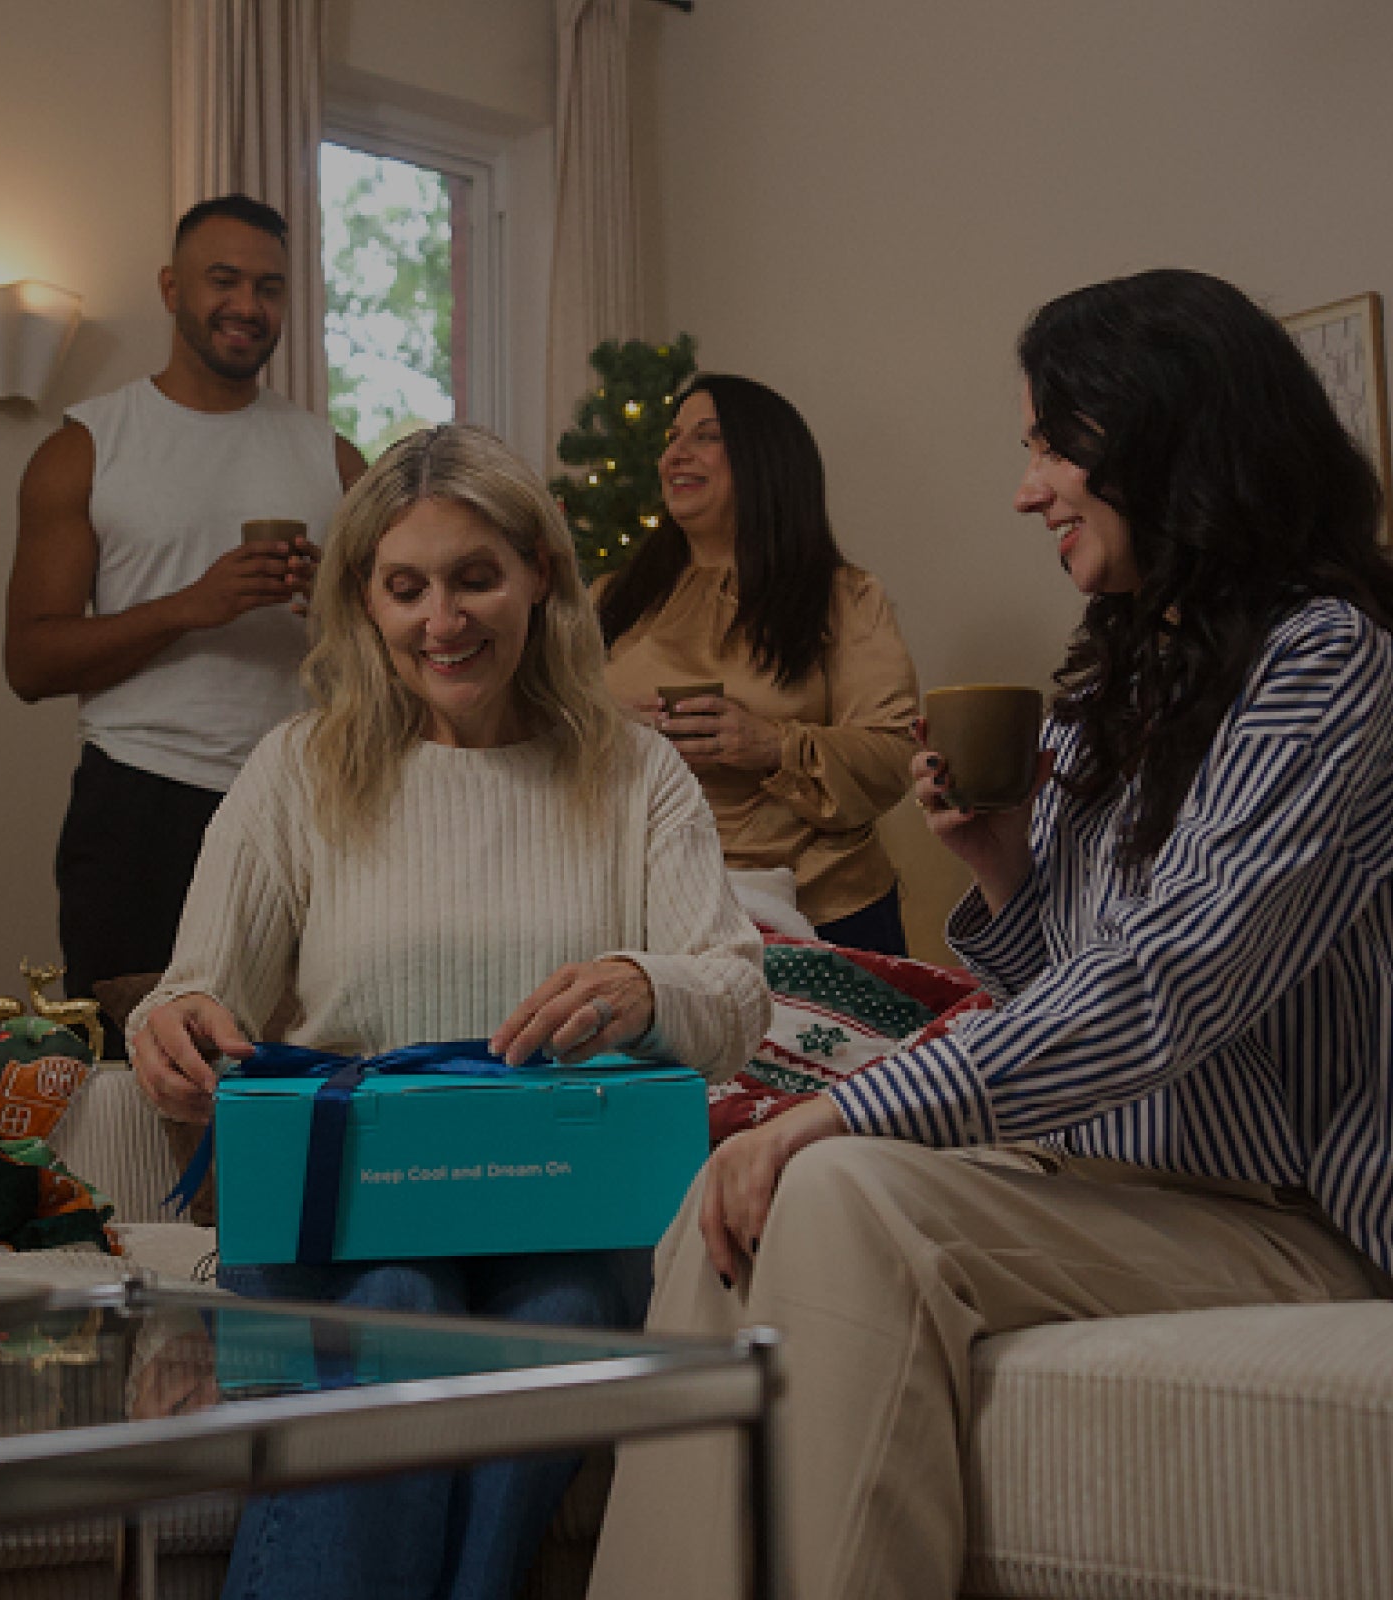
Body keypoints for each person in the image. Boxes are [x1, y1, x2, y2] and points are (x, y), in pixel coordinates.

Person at [586, 269, 1393, 1600]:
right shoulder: (1124, 665)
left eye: (1053, 447)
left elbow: (1169, 983)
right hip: (1110, 1177)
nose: (1027, 492)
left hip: (1284, 1217)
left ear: (1167, 437)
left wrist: (848, 1109)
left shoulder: (1326, 660)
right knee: (729, 1201)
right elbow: (1070, 979)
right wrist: (1005, 870)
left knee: (835, 1181)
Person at [128, 422, 772, 1600]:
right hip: (343, 1215)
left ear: (539, 575)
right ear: (364, 601)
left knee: (559, 1310)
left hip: (567, 1216)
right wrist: (170, 1032)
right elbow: (192, 991)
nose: (443, 620)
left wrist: (646, 983)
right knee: (398, 1297)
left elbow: (735, 995)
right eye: (406, 587)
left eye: (475, 577)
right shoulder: (297, 770)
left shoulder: (637, 774)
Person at [4, 193, 368, 1053]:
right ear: (172, 288)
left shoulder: (333, 457)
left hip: (304, 801)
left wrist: (339, 605)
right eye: (224, 280)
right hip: (139, 801)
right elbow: (30, 661)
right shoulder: (88, 446)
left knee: (308, 1055)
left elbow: (396, 644)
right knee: (137, 1067)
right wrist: (189, 607)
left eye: (269, 287)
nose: (247, 305)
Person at [598, 374, 920, 952]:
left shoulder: (844, 598)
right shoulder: (610, 599)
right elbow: (546, 732)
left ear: (765, 459)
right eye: (672, 438)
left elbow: (894, 755)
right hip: (652, 904)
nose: (675, 455)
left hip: (825, 911)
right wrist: (614, 727)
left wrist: (773, 745)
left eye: (706, 436)